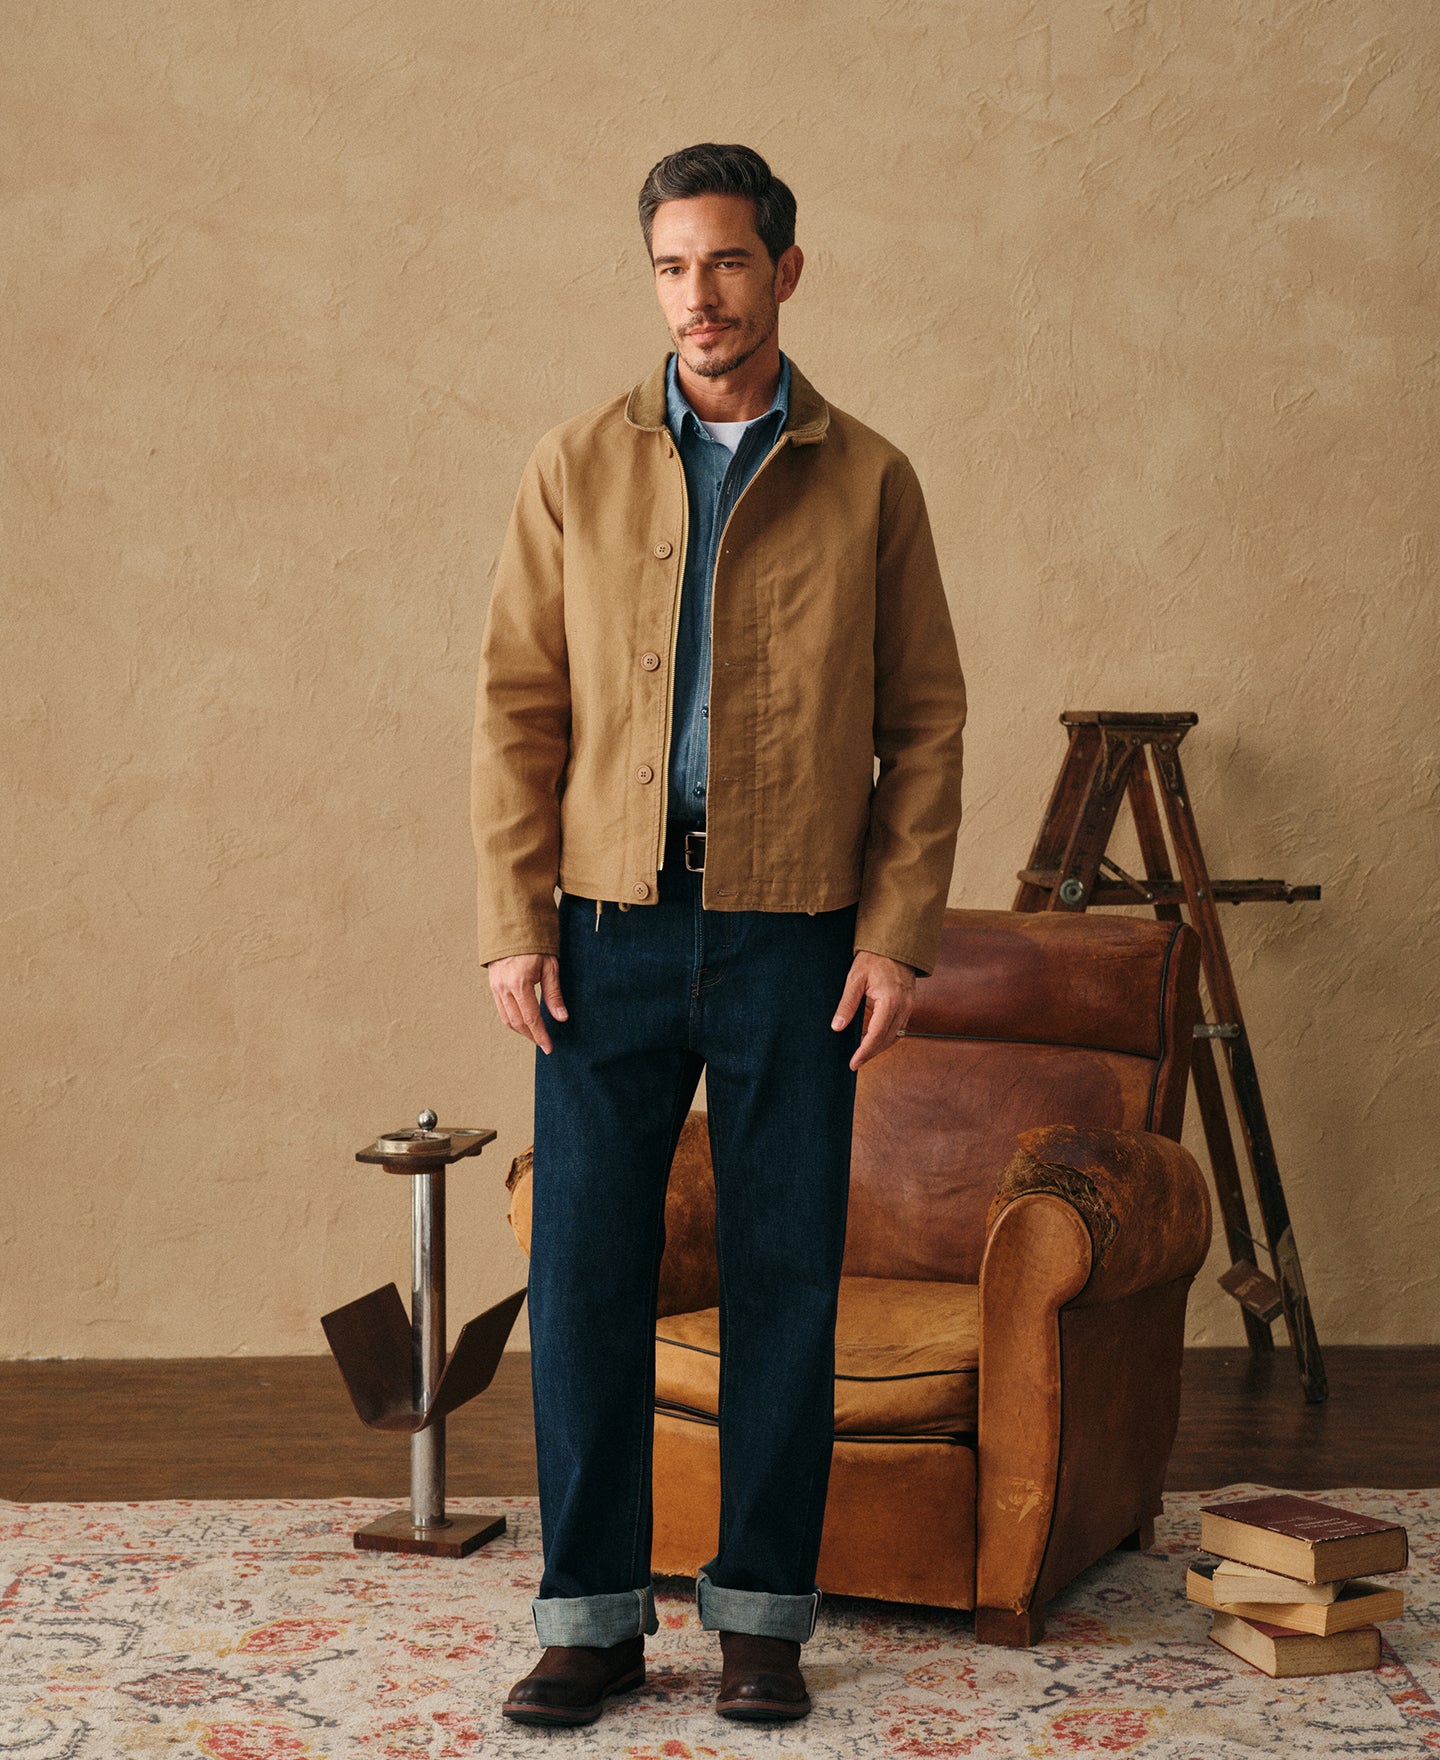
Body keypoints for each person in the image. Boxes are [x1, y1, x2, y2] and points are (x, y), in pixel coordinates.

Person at [471, 141, 966, 1727]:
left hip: (792, 940)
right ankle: (591, 1621)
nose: (700, 296)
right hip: (603, 935)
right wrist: (513, 922)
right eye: (674, 267)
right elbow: (518, 706)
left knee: (783, 1280)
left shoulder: (870, 478)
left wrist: (894, 937)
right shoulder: (575, 464)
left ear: (785, 272)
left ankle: (760, 1619)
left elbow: (926, 723)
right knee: (586, 1278)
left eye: (730, 261)